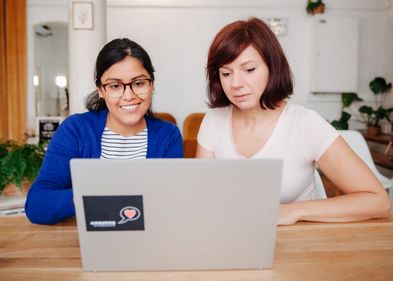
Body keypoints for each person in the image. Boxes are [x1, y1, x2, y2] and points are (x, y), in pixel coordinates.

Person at [196, 18, 391, 225]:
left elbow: (378, 201)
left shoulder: (305, 124)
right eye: (226, 73)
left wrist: (294, 211)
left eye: (249, 70)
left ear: (272, 67)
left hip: (302, 244)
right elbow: (201, 197)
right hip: (235, 238)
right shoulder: (213, 122)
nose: (235, 83)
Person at [25, 38, 183, 225]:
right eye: (115, 86)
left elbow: (171, 203)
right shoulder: (75, 130)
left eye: (139, 83)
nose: (129, 95)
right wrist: (90, 193)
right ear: (100, 89)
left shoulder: (168, 135)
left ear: (152, 84)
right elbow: (37, 205)